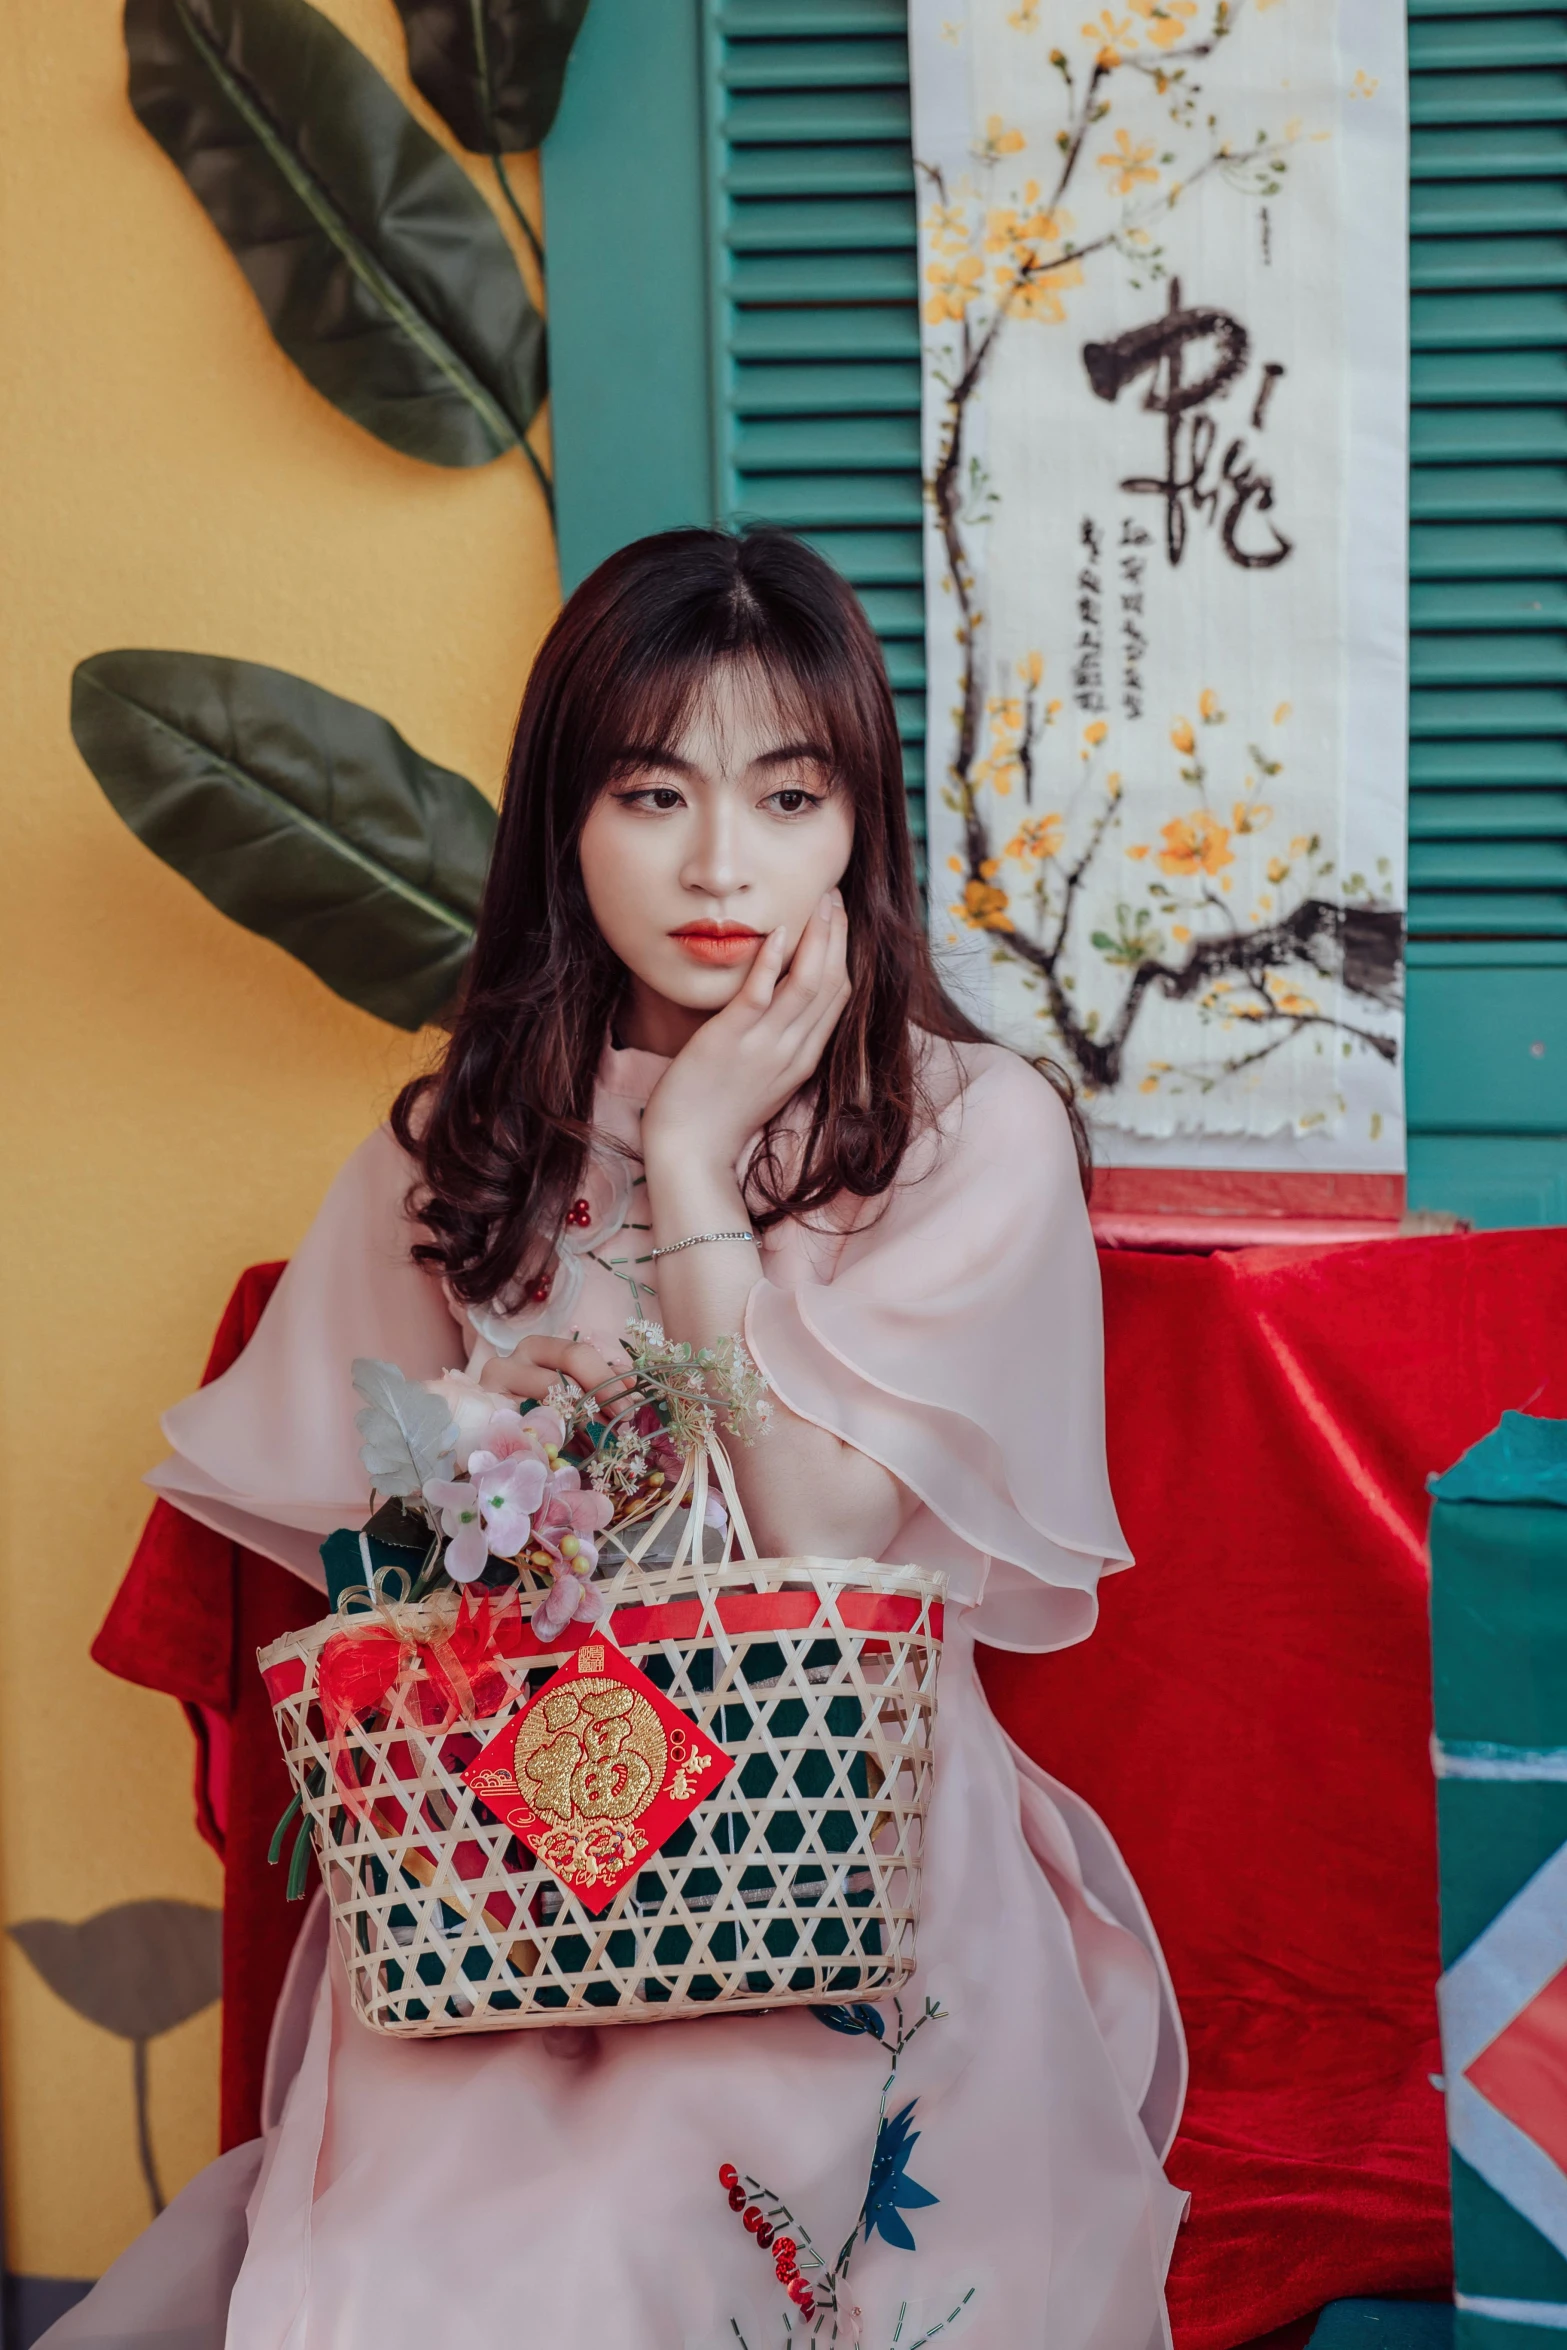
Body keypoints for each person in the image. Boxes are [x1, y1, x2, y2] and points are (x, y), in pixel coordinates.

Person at [53, 529, 1187, 2350]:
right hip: (511, 1880)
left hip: (842, 1858)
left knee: (663, 2255)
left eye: (786, 793)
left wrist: (685, 1171)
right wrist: (471, 1465)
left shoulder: (971, 1131)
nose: (720, 862)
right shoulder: (460, 1146)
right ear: (565, 829)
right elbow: (363, 1592)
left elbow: (821, 1538)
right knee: (441, 2281)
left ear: (855, 829)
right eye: (651, 791)